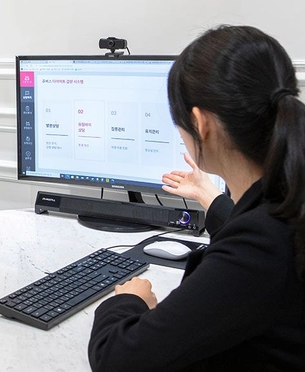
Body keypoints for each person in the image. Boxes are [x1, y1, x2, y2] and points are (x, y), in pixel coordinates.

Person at [88, 25, 305, 371]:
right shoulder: (288, 197)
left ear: (199, 123)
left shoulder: (259, 247)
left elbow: (117, 360)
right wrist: (212, 198)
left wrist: (127, 301)